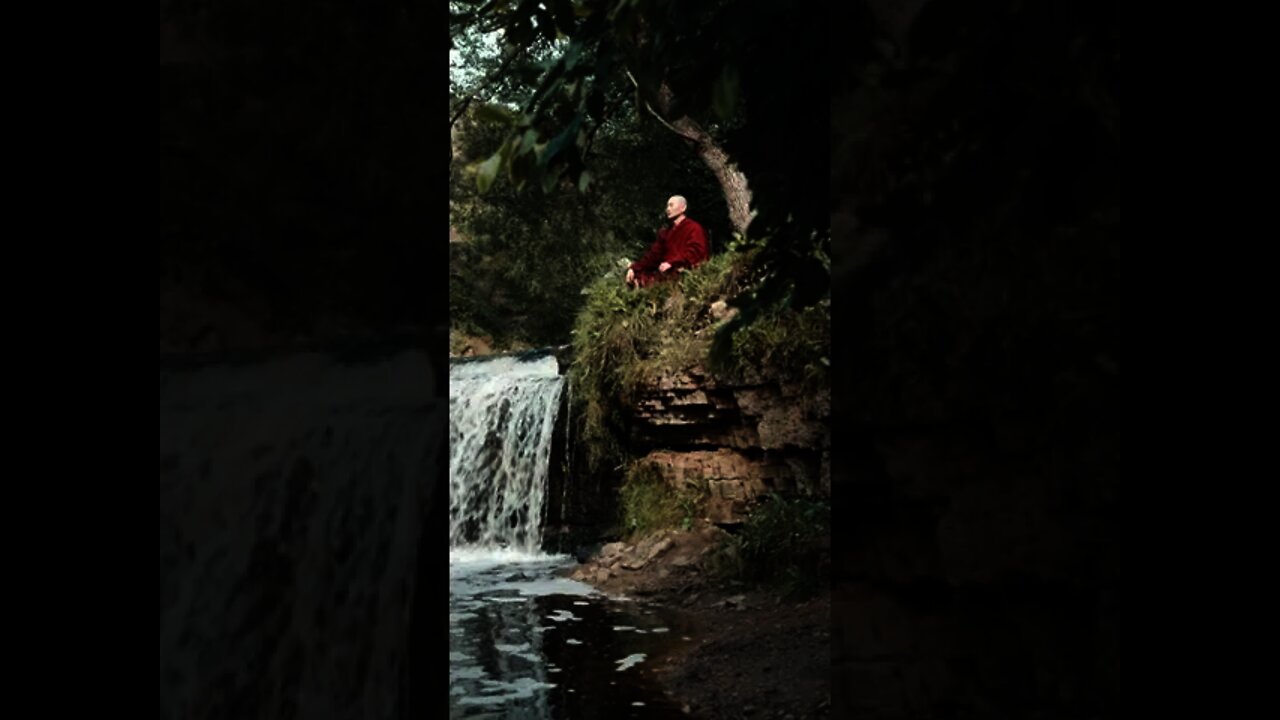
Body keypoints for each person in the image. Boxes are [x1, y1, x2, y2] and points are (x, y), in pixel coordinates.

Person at [625, 195, 709, 288]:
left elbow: (696, 252)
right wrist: (634, 268)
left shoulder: (694, 228)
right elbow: (653, 256)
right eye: (667, 206)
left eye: (671, 205)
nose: (668, 209)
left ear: (683, 208)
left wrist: (673, 263)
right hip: (665, 272)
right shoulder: (666, 232)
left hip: (683, 270)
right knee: (638, 277)